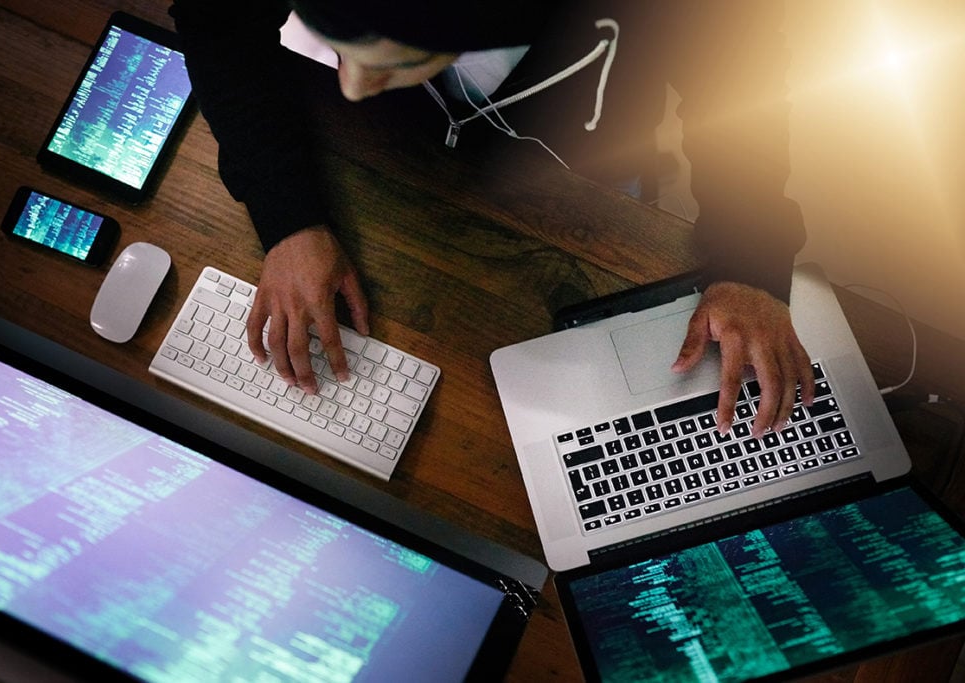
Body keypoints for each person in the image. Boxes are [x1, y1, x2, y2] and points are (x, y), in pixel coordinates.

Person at [169, 0, 814, 438]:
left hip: (586, 183)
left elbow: (741, 77)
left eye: (392, 58)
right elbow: (214, 20)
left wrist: (750, 259)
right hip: (402, 173)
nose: (353, 88)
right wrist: (288, 216)